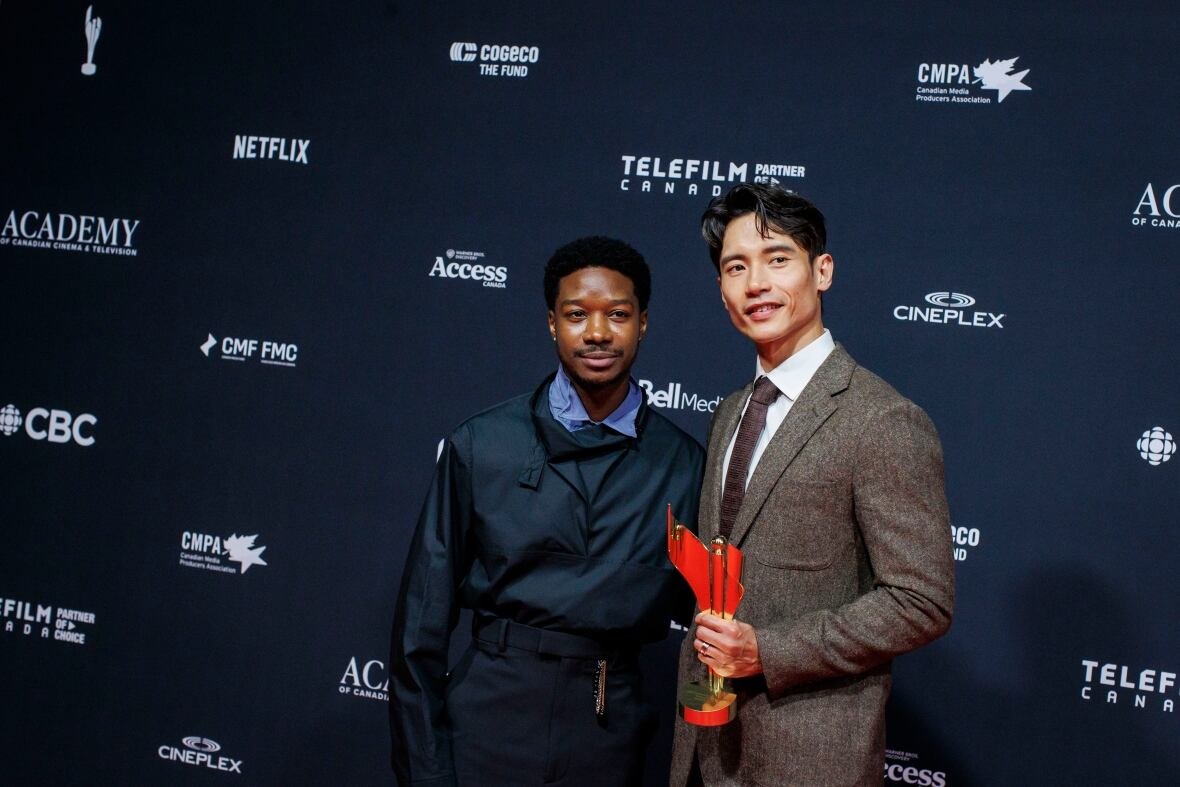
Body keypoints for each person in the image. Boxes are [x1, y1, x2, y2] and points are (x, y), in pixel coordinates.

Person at [391, 236, 705, 787]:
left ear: (643, 324)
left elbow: (717, 623)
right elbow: (420, 627)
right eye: (577, 314)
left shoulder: (684, 465)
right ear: (552, 324)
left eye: (618, 315)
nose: (598, 332)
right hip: (486, 721)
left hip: (608, 732)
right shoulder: (482, 445)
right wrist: (426, 772)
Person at [670, 184, 954, 786]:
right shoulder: (730, 411)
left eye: (777, 259)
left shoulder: (882, 419)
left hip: (811, 759)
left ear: (822, 271)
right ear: (721, 290)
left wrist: (768, 652)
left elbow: (921, 602)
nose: (756, 283)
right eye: (736, 267)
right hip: (707, 749)